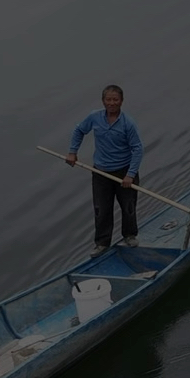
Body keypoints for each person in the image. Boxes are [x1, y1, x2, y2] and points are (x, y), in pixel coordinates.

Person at [66, 85, 145, 254]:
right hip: (101, 172)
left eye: (115, 99)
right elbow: (79, 130)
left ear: (121, 101)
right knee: (101, 209)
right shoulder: (94, 117)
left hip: (124, 172)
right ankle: (102, 243)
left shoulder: (128, 123)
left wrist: (130, 175)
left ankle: (130, 235)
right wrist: (73, 152)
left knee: (128, 207)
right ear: (103, 101)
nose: (111, 103)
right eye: (108, 99)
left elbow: (138, 149)